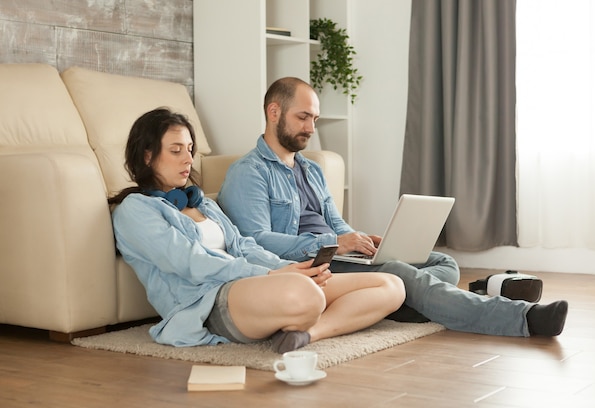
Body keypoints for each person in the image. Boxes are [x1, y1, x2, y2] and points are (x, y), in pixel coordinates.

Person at [217, 77, 569, 337]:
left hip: (341, 255)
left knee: (442, 262)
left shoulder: (311, 169)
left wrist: (355, 239)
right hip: (312, 265)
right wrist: (332, 245)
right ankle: (522, 318)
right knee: (402, 272)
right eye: (303, 117)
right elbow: (256, 240)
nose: (311, 128)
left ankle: (410, 303)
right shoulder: (249, 173)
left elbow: (335, 221)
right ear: (273, 111)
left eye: (315, 119)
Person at [107, 107, 406, 353]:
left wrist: (291, 268)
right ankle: (299, 310)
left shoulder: (203, 203)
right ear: (147, 156)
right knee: (308, 296)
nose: (188, 159)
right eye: (176, 151)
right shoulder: (135, 210)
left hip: (257, 287)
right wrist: (271, 277)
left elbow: (244, 246)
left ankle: (308, 334)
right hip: (206, 303)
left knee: (391, 286)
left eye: (190, 149)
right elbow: (190, 262)